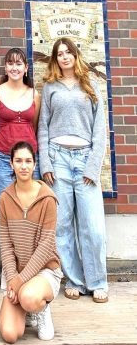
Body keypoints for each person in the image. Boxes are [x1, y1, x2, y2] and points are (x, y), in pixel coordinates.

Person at [38, 38, 108, 303]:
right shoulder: (50, 87)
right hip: (58, 161)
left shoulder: (90, 84)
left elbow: (99, 130)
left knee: (93, 227)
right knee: (62, 226)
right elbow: (43, 127)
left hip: (84, 160)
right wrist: (45, 163)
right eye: (59, 54)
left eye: (68, 52)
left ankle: (97, 282)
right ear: (55, 59)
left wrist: (93, 165)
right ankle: (75, 281)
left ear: (76, 55)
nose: (64, 57)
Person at [0, 141, 62, 343]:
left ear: (35, 164)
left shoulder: (48, 199)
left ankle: (41, 309)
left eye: (28, 161)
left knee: (28, 297)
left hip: (44, 271)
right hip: (16, 273)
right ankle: (26, 309)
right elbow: (6, 244)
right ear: (11, 164)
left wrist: (19, 282)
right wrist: (12, 278)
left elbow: (45, 247)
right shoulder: (5, 198)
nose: (23, 166)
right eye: (18, 161)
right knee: (10, 335)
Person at [0, 48, 41, 200]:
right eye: (10, 63)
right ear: (5, 67)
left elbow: (34, 127)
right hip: (4, 159)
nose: (14, 68)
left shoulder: (34, 94)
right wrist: (1, 146)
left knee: (32, 202)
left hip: (29, 159)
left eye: (18, 63)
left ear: (26, 68)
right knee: (7, 203)